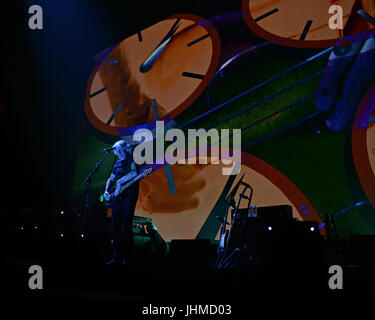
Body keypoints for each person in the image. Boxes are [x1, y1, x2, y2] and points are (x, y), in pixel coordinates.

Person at [104, 140, 140, 265]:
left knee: (126, 224)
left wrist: (120, 182)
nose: (117, 152)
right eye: (116, 150)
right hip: (118, 197)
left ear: (124, 149)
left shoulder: (132, 159)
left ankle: (129, 257)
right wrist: (106, 190)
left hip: (129, 194)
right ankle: (116, 257)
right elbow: (111, 178)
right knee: (115, 226)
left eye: (119, 149)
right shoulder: (117, 163)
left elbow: (134, 172)